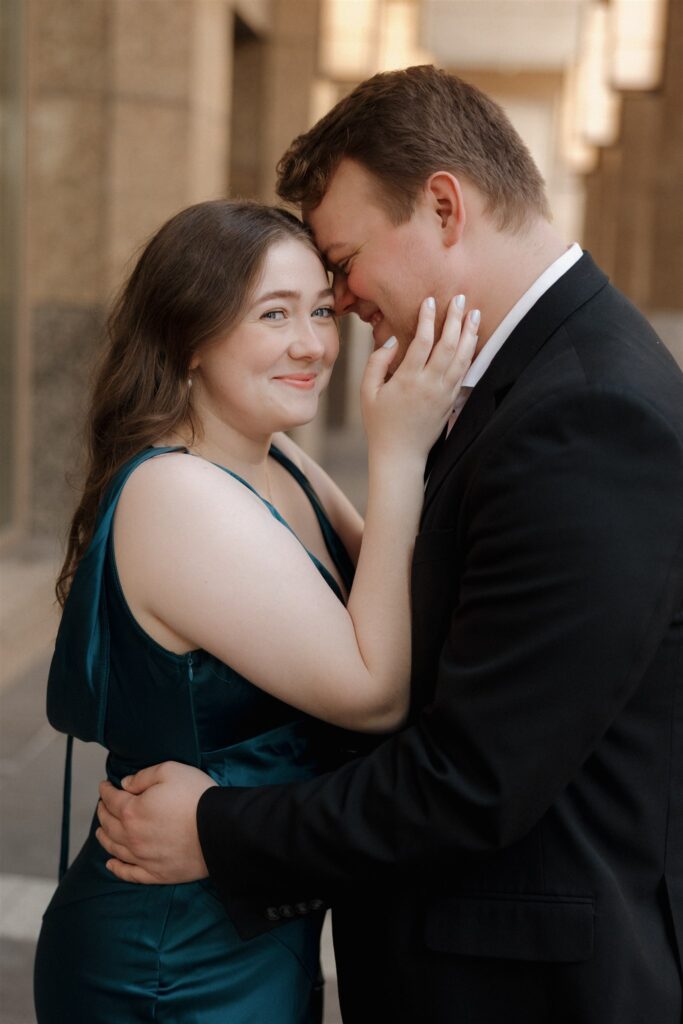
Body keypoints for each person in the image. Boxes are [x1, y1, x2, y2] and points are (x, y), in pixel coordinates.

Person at [97, 67, 683, 1024]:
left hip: (524, 982)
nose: (341, 303)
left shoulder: (586, 409)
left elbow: (472, 778)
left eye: (342, 260)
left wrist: (218, 826)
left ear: (443, 206)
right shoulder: (528, 382)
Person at [34, 198, 476, 1023]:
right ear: (191, 339)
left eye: (318, 309)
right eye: (273, 314)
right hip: (170, 957)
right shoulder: (176, 493)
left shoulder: (276, 455)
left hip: (252, 925)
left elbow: (399, 591)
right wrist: (399, 450)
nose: (312, 343)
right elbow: (373, 688)